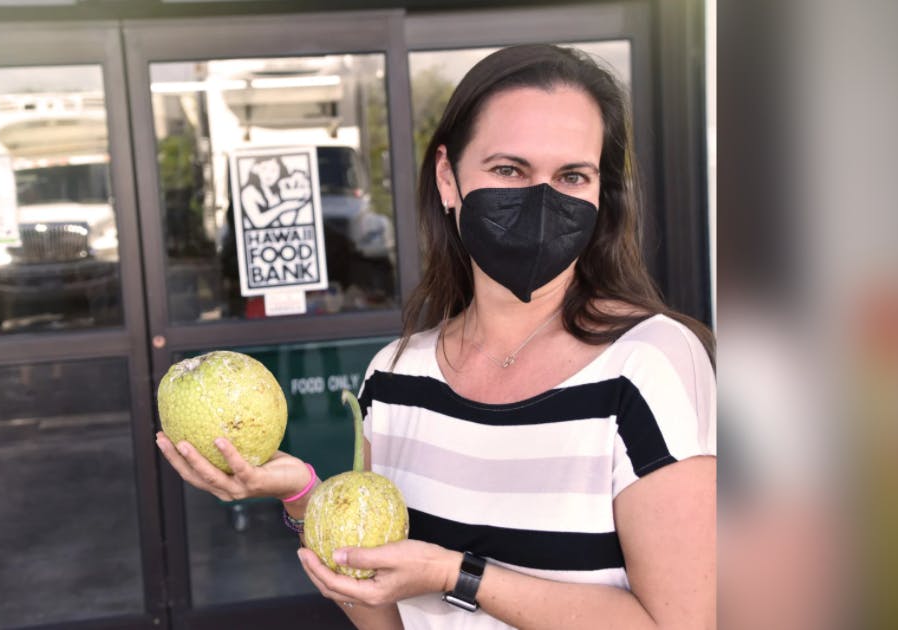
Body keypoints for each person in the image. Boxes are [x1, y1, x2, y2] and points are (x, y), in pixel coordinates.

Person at [156, 43, 716, 629]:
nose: (543, 200)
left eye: (573, 175)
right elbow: (386, 619)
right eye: (509, 170)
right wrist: (302, 498)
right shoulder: (396, 379)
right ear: (448, 179)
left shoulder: (651, 366)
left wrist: (456, 576)